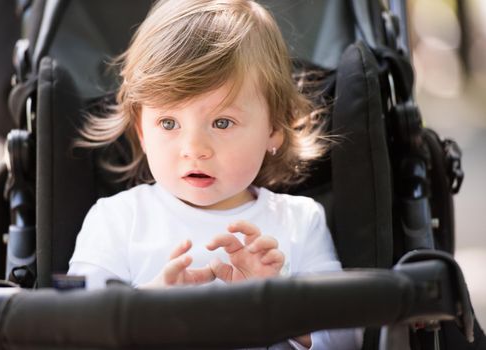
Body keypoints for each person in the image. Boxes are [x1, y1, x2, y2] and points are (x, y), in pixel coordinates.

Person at [68, 0, 361, 348]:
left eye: (222, 122)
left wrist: (282, 305)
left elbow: (348, 340)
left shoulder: (299, 222)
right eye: (168, 123)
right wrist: (143, 310)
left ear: (273, 129)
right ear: (142, 132)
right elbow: (75, 331)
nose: (194, 147)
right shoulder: (116, 220)